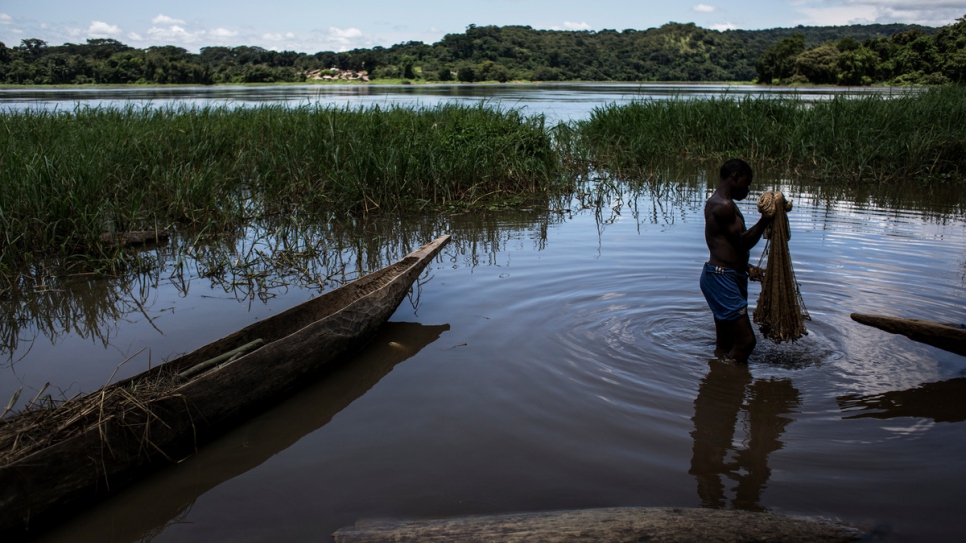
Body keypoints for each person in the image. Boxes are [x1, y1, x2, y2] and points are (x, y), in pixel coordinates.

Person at [700, 159, 772, 363]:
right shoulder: (723, 206)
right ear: (735, 177)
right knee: (746, 342)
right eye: (747, 183)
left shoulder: (725, 204)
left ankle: (718, 374)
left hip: (727, 276)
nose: (748, 189)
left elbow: (728, 246)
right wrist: (765, 219)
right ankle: (726, 383)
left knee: (727, 344)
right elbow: (742, 243)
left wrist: (747, 267)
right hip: (722, 279)